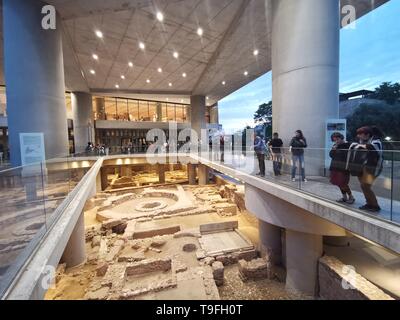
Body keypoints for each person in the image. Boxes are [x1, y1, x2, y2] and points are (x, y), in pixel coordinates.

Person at [348, 126, 383, 212]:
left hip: (373, 168)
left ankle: (375, 205)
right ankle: (369, 203)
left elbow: (374, 148)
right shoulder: (362, 141)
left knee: (365, 186)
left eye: (361, 134)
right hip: (364, 167)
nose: (359, 136)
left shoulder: (376, 141)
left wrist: (361, 146)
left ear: (367, 134)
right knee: (364, 186)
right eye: (358, 134)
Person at [329, 132, 354, 204]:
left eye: (337, 139)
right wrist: (333, 149)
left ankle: (351, 196)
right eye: (334, 140)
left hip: (343, 167)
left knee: (343, 183)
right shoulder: (335, 145)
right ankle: (344, 197)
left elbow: (348, 156)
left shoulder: (348, 145)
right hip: (335, 167)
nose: (336, 141)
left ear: (341, 137)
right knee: (338, 183)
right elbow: (331, 155)